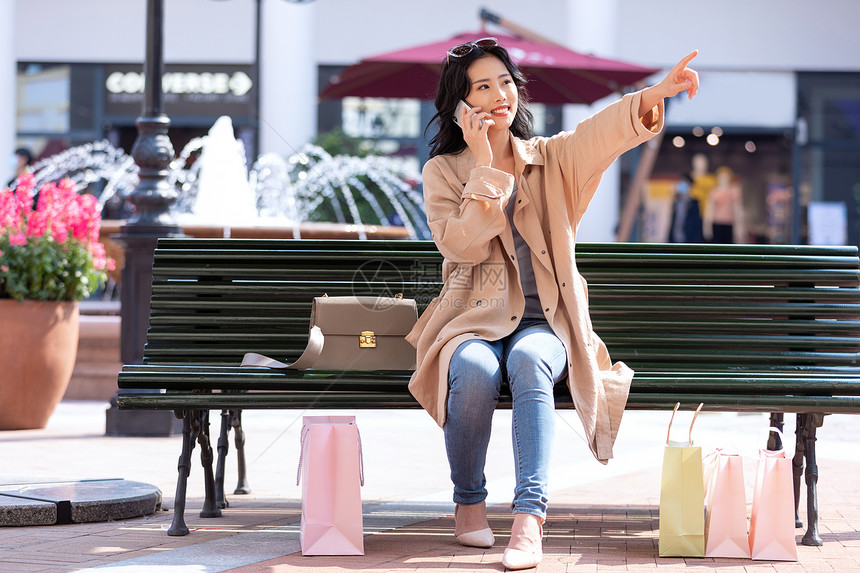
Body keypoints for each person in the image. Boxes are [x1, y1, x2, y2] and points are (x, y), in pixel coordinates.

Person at [405, 37, 699, 569]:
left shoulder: (552, 158)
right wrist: (485, 165)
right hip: (473, 319)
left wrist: (657, 93)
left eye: (504, 82)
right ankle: (468, 503)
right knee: (471, 368)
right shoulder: (443, 173)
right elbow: (461, 245)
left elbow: (602, 132)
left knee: (528, 358)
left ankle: (528, 518)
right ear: (462, 104)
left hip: (546, 322)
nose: (499, 94)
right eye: (482, 86)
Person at [703, 165, 745, 243]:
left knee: (728, 246)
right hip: (717, 223)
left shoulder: (733, 191)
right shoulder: (714, 192)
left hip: (729, 223)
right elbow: (709, 210)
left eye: (725, 177)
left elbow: (737, 210)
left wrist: (739, 227)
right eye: (721, 177)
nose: (723, 180)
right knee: (716, 246)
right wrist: (707, 226)